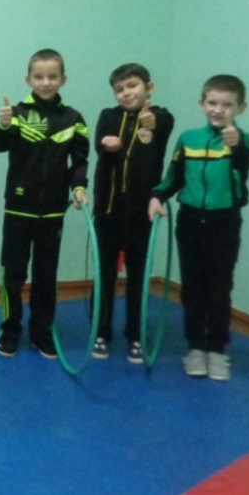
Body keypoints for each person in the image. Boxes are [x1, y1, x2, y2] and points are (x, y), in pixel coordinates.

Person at [148, 74, 249, 382]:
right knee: (193, 289)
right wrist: (157, 196)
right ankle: (195, 347)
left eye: (227, 105)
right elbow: (174, 177)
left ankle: (217, 350)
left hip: (224, 223)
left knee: (219, 288)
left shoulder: (245, 141)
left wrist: (237, 143)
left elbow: (244, 158)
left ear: (241, 108)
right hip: (191, 222)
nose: (218, 110)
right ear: (202, 104)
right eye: (212, 103)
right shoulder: (188, 139)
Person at [0, 48, 90, 359]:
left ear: (63, 79)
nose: (45, 82)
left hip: (52, 211)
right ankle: (9, 331)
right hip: (18, 208)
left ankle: (42, 334)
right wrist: (3, 125)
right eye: (39, 76)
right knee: (12, 274)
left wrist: (79, 187)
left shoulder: (73, 119)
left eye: (52, 76)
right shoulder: (16, 114)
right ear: (28, 79)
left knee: (46, 276)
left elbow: (80, 161)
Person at [91, 63, 174, 363]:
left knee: (138, 275)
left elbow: (160, 126)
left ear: (148, 87)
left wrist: (151, 122)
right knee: (104, 274)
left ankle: (136, 335)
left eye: (132, 86)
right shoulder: (108, 116)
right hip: (108, 211)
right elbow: (99, 144)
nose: (126, 93)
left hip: (141, 213)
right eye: (119, 89)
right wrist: (106, 143)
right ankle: (100, 333)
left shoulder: (161, 116)